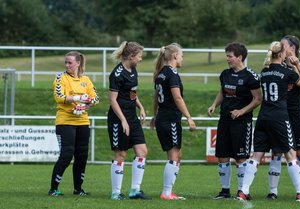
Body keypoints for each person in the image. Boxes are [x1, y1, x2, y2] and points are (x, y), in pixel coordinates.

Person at [237, 41, 300, 202]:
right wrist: (297, 65)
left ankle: (243, 191)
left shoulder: (264, 72)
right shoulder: (286, 72)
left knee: (256, 155)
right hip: (279, 117)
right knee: (291, 154)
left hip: (263, 116)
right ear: (282, 53)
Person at [207, 42, 262, 200]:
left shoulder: (250, 76)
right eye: (227, 56)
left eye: (230, 56)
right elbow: (222, 92)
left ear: (239, 57)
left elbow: (258, 99)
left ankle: (242, 191)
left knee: (240, 157)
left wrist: (241, 111)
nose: (227, 59)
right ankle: (225, 191)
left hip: (242, 122)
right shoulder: (225, 74)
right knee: (222, 155)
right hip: (224, 119)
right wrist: (214, 105)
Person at [266, 35, 300, 200]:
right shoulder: (276, 67)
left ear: (292, 48)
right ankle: (273, 191)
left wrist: (296, 65)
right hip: (280, 113)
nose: (280, 47)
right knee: (277, 151)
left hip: (296, 112)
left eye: (283, 45)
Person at [49, 51, 99, 196]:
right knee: (66, 154)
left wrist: (86, 103)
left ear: (78, 63)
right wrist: (79, 97)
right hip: (65, 121)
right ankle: (54, 189)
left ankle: (78, 189)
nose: (67, 65)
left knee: (82, 155)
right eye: (66, 62)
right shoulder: (61, 77)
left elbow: (96, 98)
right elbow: (59, 97)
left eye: (70, 62)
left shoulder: (86, 80)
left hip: (83, 121)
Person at [150, 43, 196, 200]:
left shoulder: (161, 73)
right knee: (173, 156)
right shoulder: (172, 74)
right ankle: (167, 192)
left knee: (178, 154)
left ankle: (169, 191)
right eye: (182, 55)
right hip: (170, 119)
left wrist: (154, 116)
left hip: (163, 117)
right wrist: (189, 117)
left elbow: (156, 96)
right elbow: (177, 97)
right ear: (175, 55)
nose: (182, 58)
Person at [107, 41, 150, 200]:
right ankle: (116, 193)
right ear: (131, 56)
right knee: (121, 154)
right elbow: (112, 100)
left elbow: (132, 92)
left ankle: (134, 191)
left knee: (142, 151)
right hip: (119, 119)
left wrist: (141, 106)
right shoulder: (117, 74)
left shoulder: (133, 70)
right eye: (139, 56)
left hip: (132, 117)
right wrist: (123, 120)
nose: (140, 59)